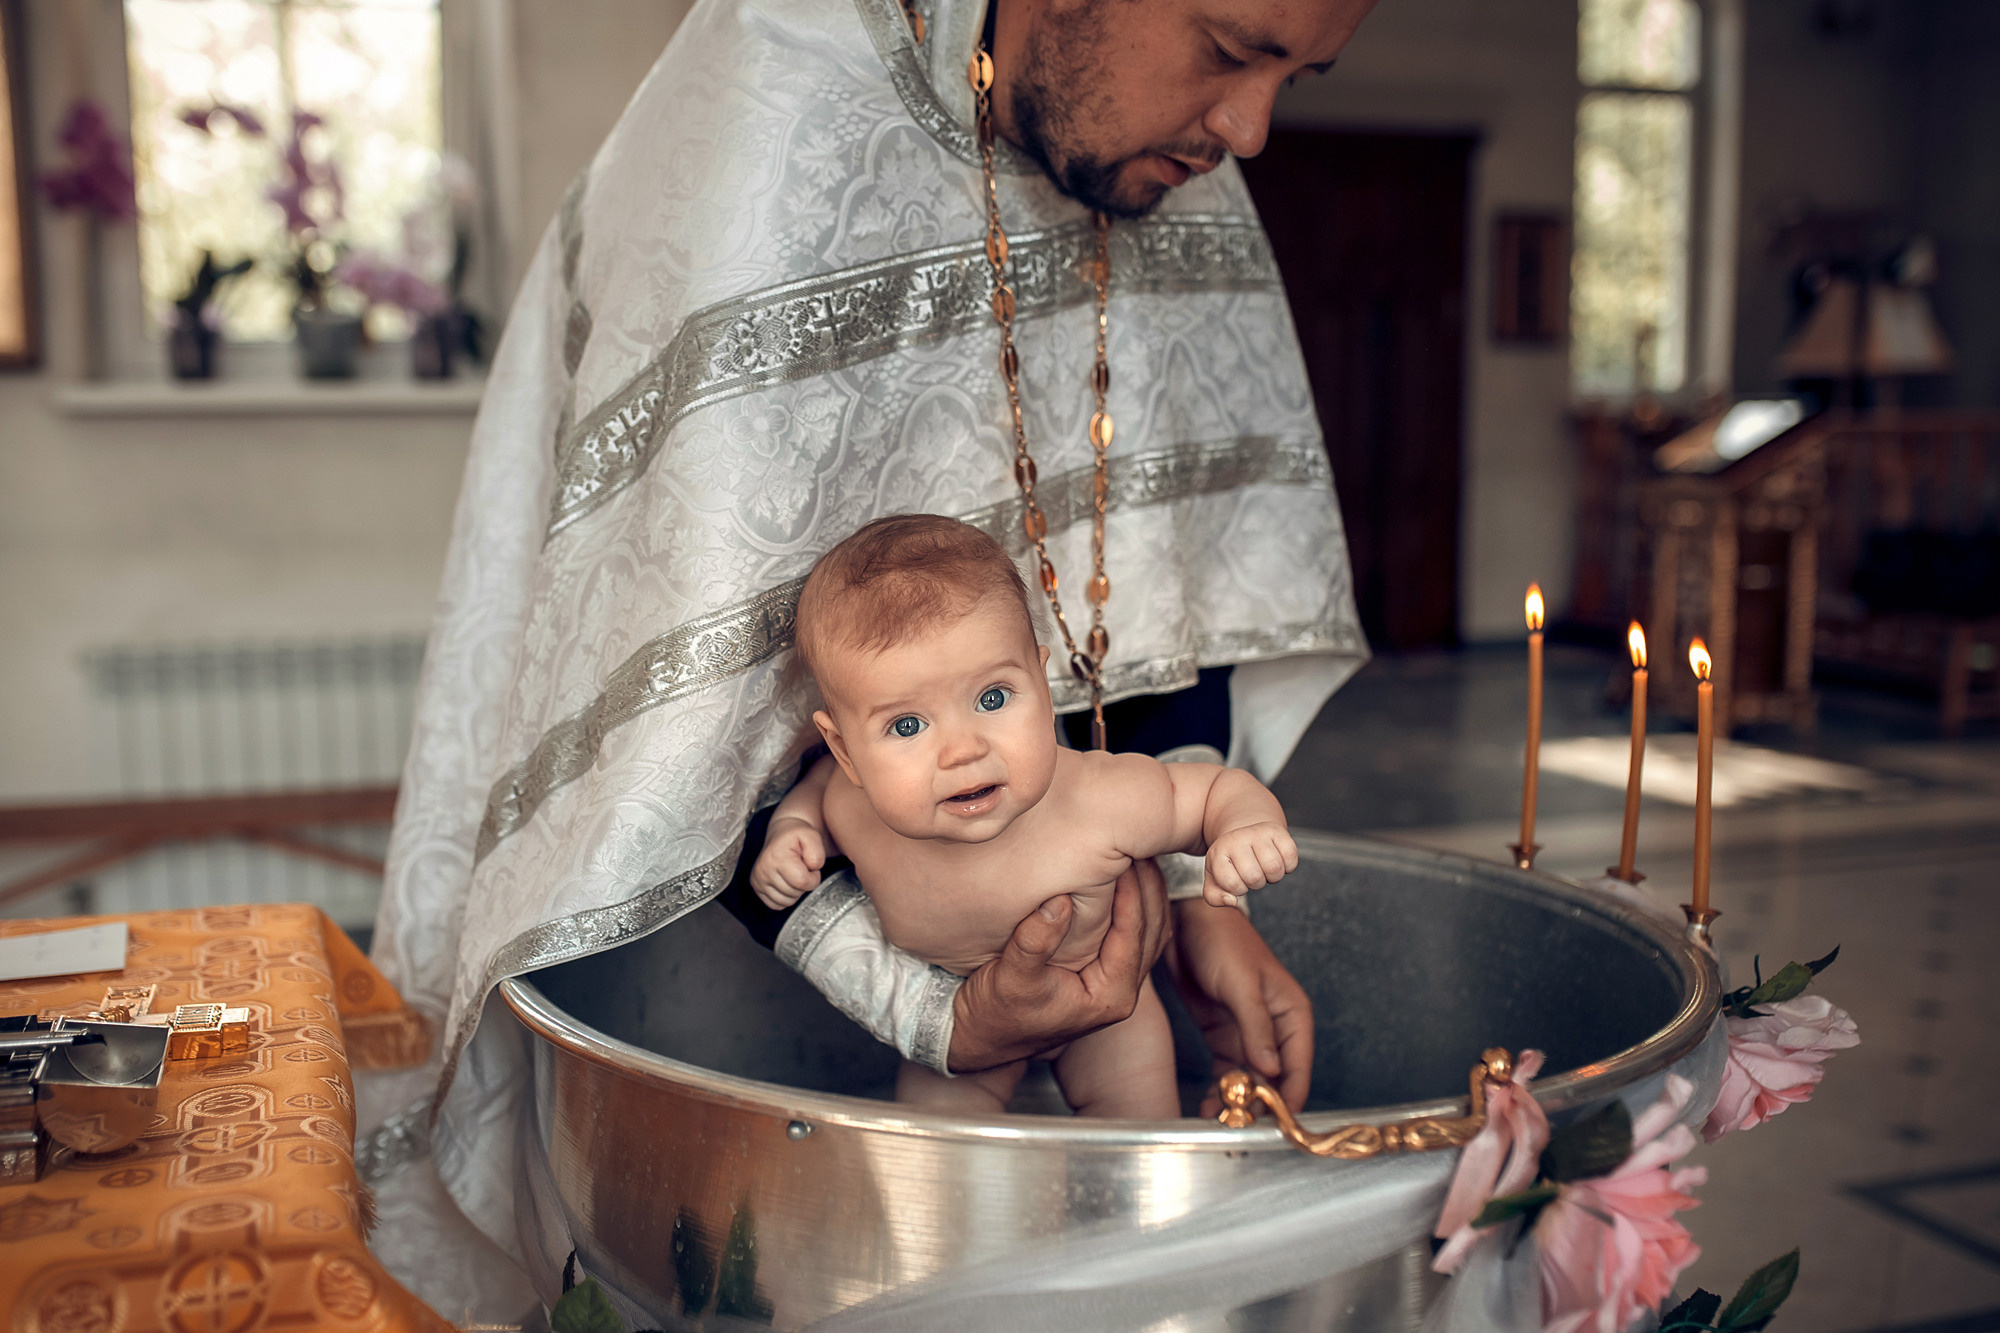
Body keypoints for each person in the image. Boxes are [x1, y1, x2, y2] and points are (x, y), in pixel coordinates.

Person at [363, 0, 1378, 1315]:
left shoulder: (1170, 160)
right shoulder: (767, 122)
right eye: (1234, 49)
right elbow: (691, 714)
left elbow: (1166, 565)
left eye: (1300, 74)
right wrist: (932, 1017)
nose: (1250, 129)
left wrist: (1202, 907)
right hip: (719, 982)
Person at [753, 515, 1299, 1117]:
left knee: (1136, 1154)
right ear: (846, 751)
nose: (963, 750)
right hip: (960, 1013)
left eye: (993, 698)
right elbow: (817, 791)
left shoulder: (1100, 800)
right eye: (907, 726)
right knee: (936, 1169)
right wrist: (792, 830)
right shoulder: (850, 806)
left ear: (1042, 683)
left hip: (1106, 1016)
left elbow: (1213, 791)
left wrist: (1245, 826)